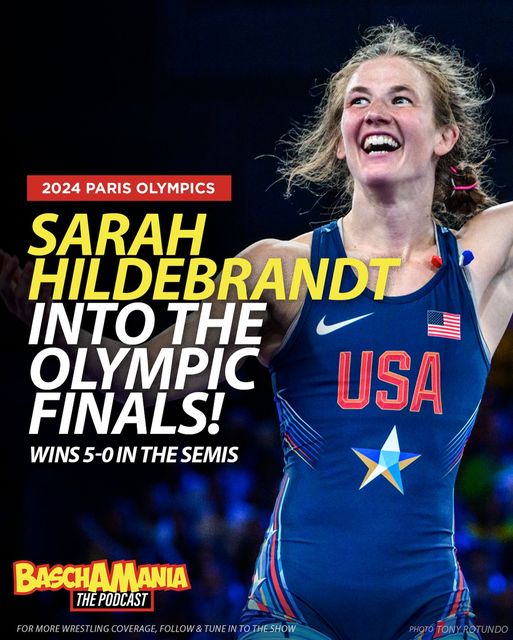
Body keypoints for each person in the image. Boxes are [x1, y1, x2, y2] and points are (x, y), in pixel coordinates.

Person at [2, 22, 512, 640]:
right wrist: (50, 318)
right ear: (342, 140)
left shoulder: (481, 263)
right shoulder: (280, 267)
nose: (375, 111)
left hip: (433, 619)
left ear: (444, 136)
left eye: (400, 98)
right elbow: (150, 374)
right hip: (293, 616)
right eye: (358, 100)